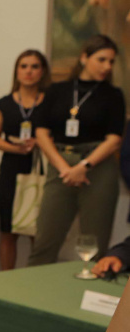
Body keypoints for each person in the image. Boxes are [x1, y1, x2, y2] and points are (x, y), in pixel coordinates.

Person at [29, 35, 125, 266]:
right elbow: (41, 132)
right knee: (44, 240)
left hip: (98, 168)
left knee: (94, 244)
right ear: (84, 57)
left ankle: (89, 298)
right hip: (60, 165)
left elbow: (114, 139)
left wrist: (84, 167)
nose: (107, 66)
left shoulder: (113, 95)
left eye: (111, 62)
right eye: (101, 59)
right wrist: (64, 168)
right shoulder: (56, 91)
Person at [0, 50, 50, 270]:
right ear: (17, 70)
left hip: (41, 166)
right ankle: (6, 279)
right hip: (11, 168)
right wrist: (16, 148)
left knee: (38, 229)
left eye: (34, 66)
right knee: (8, 230)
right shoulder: (3, 103)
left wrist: (40, 142)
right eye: (24, 66)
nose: (29, 71)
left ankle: (35, 281)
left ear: (42, 71)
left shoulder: (50, 101)